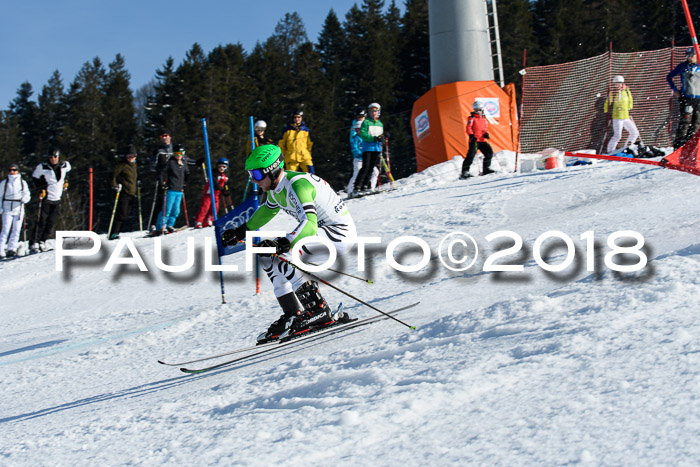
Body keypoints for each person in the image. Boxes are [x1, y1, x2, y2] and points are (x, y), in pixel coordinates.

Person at [221, 144, 357, 342]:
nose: (253, 180)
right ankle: (293, 313)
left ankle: (318, 310)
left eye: (257, 175)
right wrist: (242, 230)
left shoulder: (297, 185)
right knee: (267, 256)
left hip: (339, 234)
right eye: (250, 175)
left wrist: (286, 242)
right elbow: (269, 209)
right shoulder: (276, 187)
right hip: (324, 233)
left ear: (272, 169)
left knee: (283, 253)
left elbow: (309, 224)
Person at [30, 148, 71, 252]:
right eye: (51, 157)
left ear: (59, 157)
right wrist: (40, 189)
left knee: (51, 222)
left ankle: (42, 241)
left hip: (57, 198)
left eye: (55, 157)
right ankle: (34, 242)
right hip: (46, 197)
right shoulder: (43, 167)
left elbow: (68, 172)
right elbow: (35, 177)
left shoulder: (65, 165)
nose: (53, 159)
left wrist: (66, 181)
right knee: (42, 220)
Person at [667, 47, 700, 149]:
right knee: (685, 123)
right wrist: (675, 90)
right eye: (688, 56)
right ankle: (678, 146)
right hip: (687, 98)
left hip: (699, 99)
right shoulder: (683, 66)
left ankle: (691, 146)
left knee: (696, 123)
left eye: (692, 56)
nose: (690, 58)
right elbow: (669, 76)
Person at [154, 143, 189, 234]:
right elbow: (162, 173)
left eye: (180, 154)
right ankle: (161, 226)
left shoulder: (184, 163)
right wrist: (162, 183)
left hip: (179, 190)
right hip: (171, 190)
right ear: (174, 154)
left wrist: (185, 182)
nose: (178, 156)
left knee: (176, 210)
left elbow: (187, 173)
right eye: (177, 154)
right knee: (167, 209)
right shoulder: (171, 162)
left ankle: (170, 225)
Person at [0, 163, 31, 258]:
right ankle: (1, 249)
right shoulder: (4, 183)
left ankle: (11, 249)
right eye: (10, 170)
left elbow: (27, 195)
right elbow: (0, 196)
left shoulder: (22, 182)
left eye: (14, 170)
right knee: (5, 230)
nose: (12, 172)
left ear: (18, 171)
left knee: (16, 230)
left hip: (19, 209)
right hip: (7, 209)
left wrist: (24, 199)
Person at [603, 75, 640, 154]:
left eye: (619, 83)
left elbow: (630, 100)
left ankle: (628, 147)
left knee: (634, 132)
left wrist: (629, 108)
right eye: (615, 84)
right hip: (617, 117)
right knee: (617, 135)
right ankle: (610, 151)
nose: (617, 85)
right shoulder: (613, 93)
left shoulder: (626, 91)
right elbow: (607, 102)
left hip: (625, 116)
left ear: (622, 83)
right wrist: (606, 111)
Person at [109, 145, 139, 240]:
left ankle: (117, 232)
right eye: (129, 156)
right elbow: (113, 175)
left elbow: (136, 177)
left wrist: (139, 182)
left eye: (132, 156)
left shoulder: (135, 166)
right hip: (124, 192)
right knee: (121, 214)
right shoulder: (122, 165)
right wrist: (115, 185)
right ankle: (114, 233)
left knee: (125, 215)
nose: (130, 158)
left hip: (132, 193)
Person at [354, 103, 385, 192]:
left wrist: (382, 137)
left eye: (375, 111)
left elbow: (380, 135)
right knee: (366, 167)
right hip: (367, 148)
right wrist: (373, 138)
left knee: (371, 167)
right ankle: (357, 186)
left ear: (378, 112)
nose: (373, 113)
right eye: (371, 111)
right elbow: (363, 134)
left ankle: (366, 185)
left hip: (376, 148)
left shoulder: (380, 123)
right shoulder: (366, 122)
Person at [460, 101, 495, 179]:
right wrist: (471, 135)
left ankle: (486, 169)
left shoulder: (484, 119)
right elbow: (468, 128)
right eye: (475, 110)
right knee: (471, 155)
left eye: (478, 110)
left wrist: (486, 133)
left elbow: (485, 128)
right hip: (474, 141)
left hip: (482, 140)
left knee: (489, 152)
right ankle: (465, 172)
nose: (477, 111)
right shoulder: (472, 118)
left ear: (482, 110)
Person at [194, 158, 230, 228]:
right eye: (220, 166)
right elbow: (215, 183)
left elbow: (225, 185)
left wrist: (226, 191)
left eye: (224, 167)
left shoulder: (224, 177)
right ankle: (198, 221)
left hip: (216, 195)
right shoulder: (214, 173)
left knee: (215, 208)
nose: (221, 168)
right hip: (209, 193)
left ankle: (209, 220)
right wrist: (221, 189)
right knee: (205, 207)